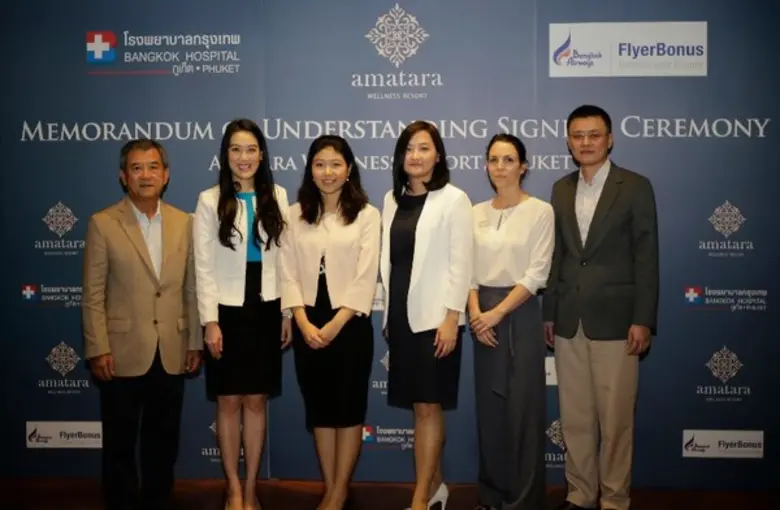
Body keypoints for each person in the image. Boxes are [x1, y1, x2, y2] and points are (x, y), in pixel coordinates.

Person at [543, 105, 659, 510]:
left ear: (610, 139)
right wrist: (549, 312)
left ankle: (614, 498)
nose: (586, 142)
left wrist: (643, 319)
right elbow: (556, 255)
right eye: (578, 135)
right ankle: (579, 493)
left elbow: (646, 257)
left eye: (594, 135)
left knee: (616, 419)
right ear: (568, 141)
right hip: (568, 320)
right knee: (574, 416)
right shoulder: (560, 189)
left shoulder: (636, 186)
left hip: (617, 321)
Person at [82, 139, 202, 510]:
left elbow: (192, 288)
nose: (145, 175)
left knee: (163, 440)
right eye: (136, 168)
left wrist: (194, 341)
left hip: (171, 347)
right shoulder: (103, 223)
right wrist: (97, 347)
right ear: (123, 177)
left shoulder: (185, 222)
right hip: (120, 352)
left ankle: (158, 500)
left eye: (153, 167)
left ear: (166, 175)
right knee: (119, 442)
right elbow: (92, 294)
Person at [193, 118, 291, 510]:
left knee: (255, 400)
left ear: (262, 154)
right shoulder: (208, 200)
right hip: (227, 311)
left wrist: (287, 312)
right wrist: (210, 321)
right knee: (229, 402)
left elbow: (285, 260)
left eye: (251, 149)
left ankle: (251, 488)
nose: (244, 157)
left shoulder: (278, 196)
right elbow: (203, 266)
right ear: (226, 155)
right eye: (236, 149)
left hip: (266, 308)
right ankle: (232, 487)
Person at [280, 135, 379, 510]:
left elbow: (366, 277)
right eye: (320, 164)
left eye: (335, 164)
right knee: (320, 407)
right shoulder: (294, 215)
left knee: (349, 407)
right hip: (308, 321)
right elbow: (287, 271)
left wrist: (336, 324)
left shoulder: (367, 215)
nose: (328, 172)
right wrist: (301, 321)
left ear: (348, 169)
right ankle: (330, 486)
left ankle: (339, 491)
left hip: (349, 323)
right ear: (310, 170)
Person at [380, 120, 473, 510]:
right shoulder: (391, 200)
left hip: (437, 321)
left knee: (430, 405)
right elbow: (391, 263)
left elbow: (461, 263)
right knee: (419, 406)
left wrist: (452, 317)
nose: (415, 156)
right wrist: (389, 316)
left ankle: (419, 499)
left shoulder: (454, 199)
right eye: (409, 149)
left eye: (423, 148)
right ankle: (435, 486)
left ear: (438, 155)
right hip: (402, 318)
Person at [468, 134, 554, 510]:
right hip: (481, 318)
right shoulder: (474, 212)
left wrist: (497, 313)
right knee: (490, 412)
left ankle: (523, 501)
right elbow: (467, 272)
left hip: (520, 314)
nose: (500, 166)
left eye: (508, 159)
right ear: (485, 165)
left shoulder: (541, 211)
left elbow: (537, 273)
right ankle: (491, 496)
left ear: (523, 166)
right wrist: (476, 314)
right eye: (493, 159)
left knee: (523, 411)